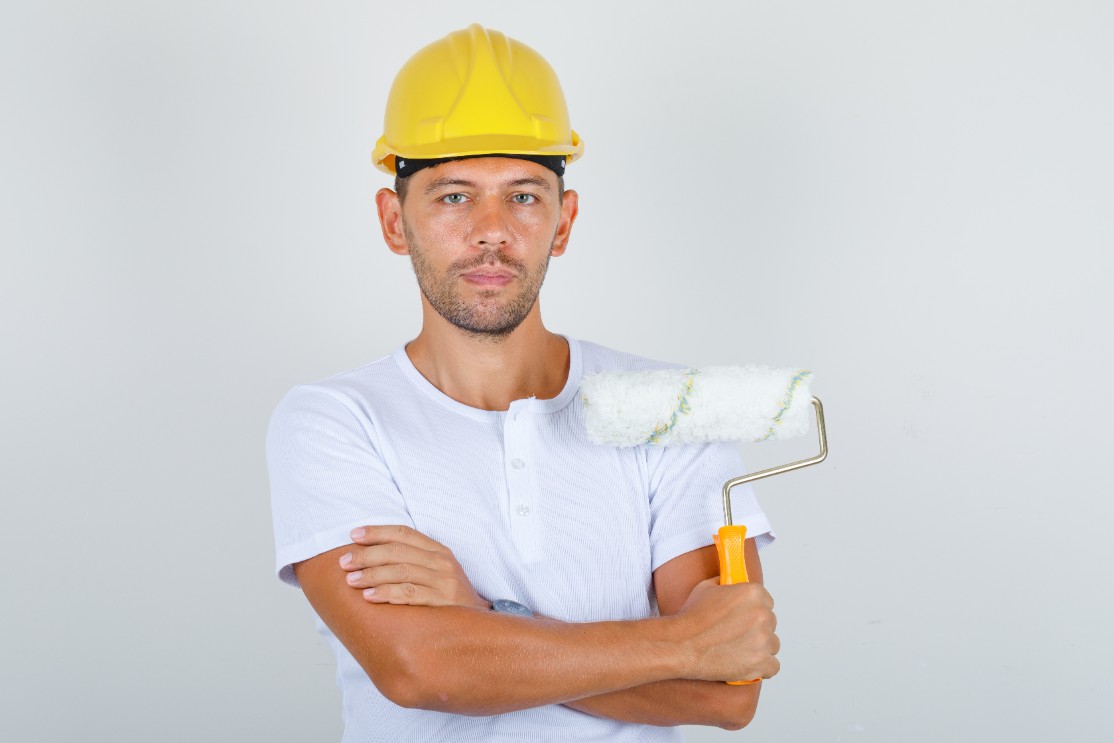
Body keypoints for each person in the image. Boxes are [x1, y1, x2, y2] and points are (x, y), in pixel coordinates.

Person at [267, 23, 779, 742]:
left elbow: (725, 693)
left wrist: (480, 618)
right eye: (453, 196)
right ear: (394, 221)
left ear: (563, 222)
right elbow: (421, 669)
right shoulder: (336, 421)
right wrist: (684, 644)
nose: (491, 231)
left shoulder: (670, 408)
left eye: (524, 196)